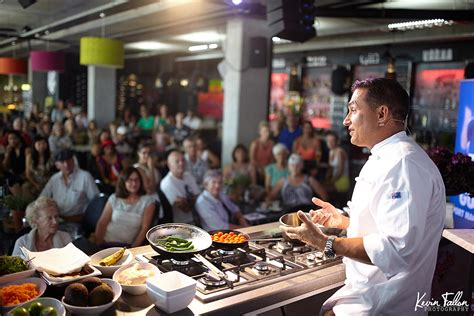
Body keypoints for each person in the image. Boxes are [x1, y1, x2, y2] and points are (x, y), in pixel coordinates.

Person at [281, 78, 446, 316]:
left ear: (381, 114)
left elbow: (395, 249)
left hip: (384, 304)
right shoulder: (385, 156)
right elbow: (385, 225)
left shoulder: (403, 163)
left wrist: (326, 242)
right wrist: (344, 221)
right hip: (366, 296)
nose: (346, 120)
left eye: (353, 110)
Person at [95, 167, 155, 247]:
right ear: (123, 181)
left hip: (126, 247)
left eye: (137, 180)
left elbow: (145, 229)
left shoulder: (147, 201)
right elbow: (102, 223)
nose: (134, 183)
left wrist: (133, 249)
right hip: (105, 242)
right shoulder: (114, 198)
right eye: (130, 180)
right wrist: (98, 245)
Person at [40, 149, 99, 226]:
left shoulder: (85, 177)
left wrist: (86, 217)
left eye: (69, 160)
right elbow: (42, 198)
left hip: (79, 221)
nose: (66, 165)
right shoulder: (54, 179)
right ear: (57, 165)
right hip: (57, 220)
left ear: (73, 161)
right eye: (62, 162)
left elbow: (97, 202)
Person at [160, 150, 200, 224]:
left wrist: (189, 200)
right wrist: (192, 199)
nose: (181, 163)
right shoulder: (167, 182)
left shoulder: (188, 176)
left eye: (183, 160)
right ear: (169, 165)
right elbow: (185, 208)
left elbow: (198, 197)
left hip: (196, 218)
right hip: (181, 224)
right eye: (177, 161)